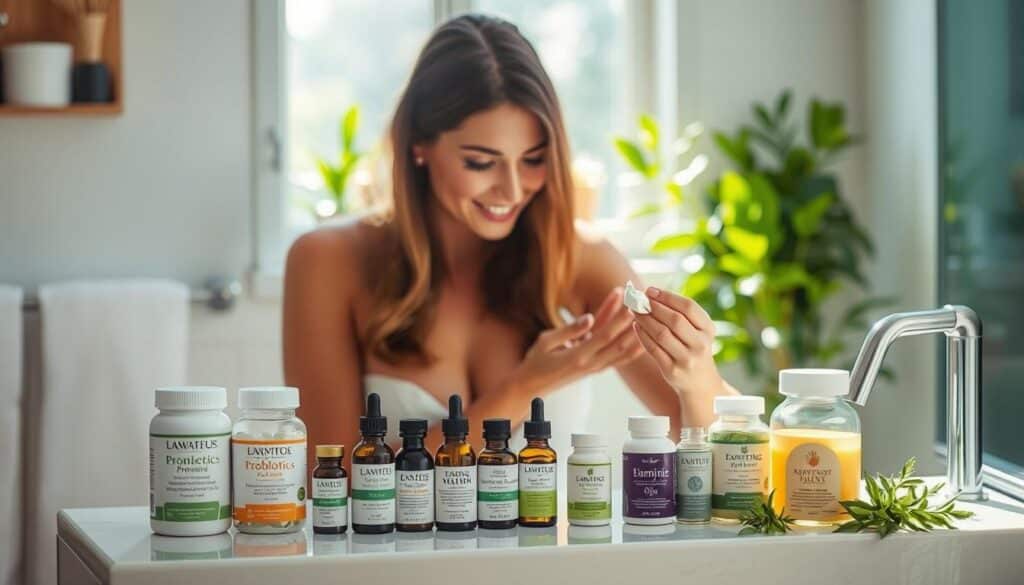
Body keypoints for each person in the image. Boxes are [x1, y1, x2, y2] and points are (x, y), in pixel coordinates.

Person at [283, 14, 738, 467]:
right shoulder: (328, 260)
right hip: (393, 542)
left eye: (534, 160)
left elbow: (712, 439)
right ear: (419, 143)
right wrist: (524, 388)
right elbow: (334, 476)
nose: (513, 189)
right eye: (482, 162)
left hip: (555, 540)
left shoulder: (580, 259)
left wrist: (696, 375)